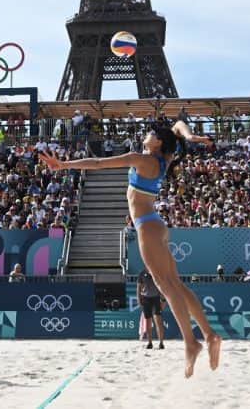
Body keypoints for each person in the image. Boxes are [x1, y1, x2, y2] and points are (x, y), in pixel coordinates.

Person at [39, 122, 221, 377]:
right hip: (155, 224)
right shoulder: (163, 157)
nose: (145, 135)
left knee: (167, 287)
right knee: (175, 285)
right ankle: (209, 334)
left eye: (150, 133)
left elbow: (98, 163)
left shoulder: (142, 159)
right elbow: (178, 126)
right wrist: (190, 136)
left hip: (147, 226)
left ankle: (191, 342)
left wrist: (64, 165)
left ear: (157, 141)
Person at [137, 268, 165, 350]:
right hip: (146, 299)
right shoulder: (142, 273)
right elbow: (138, 288)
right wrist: (139, 299)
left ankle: (161, 342)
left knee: (158, 321)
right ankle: (149, 342)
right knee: (148, 321)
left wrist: (163, 299)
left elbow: (162, 287)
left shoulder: (157, 272)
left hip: (156, 298)